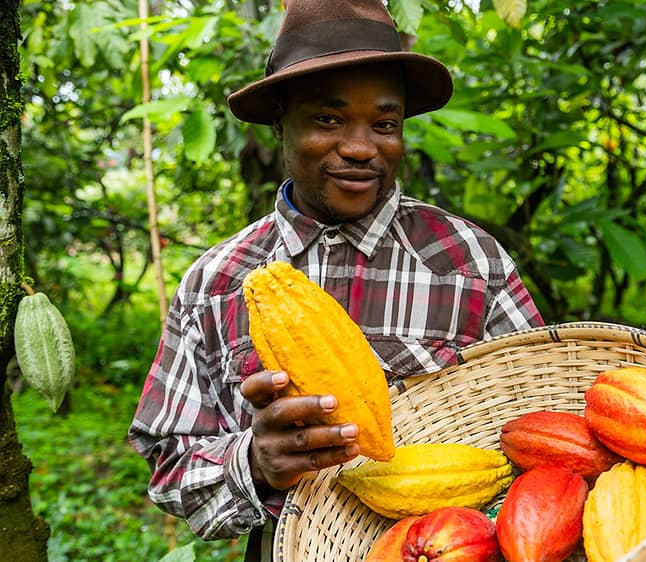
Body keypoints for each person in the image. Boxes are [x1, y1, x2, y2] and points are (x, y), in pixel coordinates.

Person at [128, 0, 545, 560]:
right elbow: (170, 463)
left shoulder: (469, 261)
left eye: (385, 123)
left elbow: (543, 425)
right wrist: (255, 463)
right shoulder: (217, 282)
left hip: (449, 547)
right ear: (280, 119)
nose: (359, 147)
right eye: (328, 119)